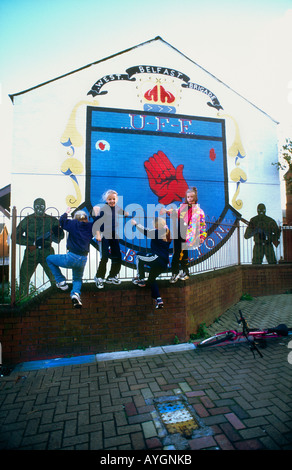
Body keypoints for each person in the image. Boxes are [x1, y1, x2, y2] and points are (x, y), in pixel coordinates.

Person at [46, 206, 99, 308]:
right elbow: (98, 224)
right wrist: (96, 215)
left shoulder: (73, 224)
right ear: (86, 218)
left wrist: (66, 212)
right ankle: (75, 294)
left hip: (71, 257)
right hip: (83, 259)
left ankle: (61, 281)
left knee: (49, 259)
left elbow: (62, 221)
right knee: (77, 279)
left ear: (75, 218)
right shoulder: (90, 226)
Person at [16, 197, 64, 296]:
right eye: (37, 206)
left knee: (54, 277)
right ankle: (23, 300)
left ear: (45, 207)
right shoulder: (27, 220)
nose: (39, 208)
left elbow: (61, 236)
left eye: (42, 206)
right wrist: (32, 242)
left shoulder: (52, 220)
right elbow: (15, 236)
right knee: (24, 279)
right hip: (31, 252)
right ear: (34, 207)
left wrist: (57, 233)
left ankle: (58, 299)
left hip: (47, 252)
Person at [161, 187, 207, 283]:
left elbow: (202, 224)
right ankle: (181, 272)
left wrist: (202, 236)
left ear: (195, 197)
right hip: (179, 232)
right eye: (188, 197)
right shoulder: (182, 207)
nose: (190, 198)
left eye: (191, 197)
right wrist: (167, 211)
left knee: (180, 253)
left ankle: (178, 272)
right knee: (179, 253)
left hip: (188, 235)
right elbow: (175, 213)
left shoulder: (199, 211)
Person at [131, 217, 171, 309]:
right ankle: (158, 299)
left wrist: (136, 224)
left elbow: (145, 231)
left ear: (156, 225)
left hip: (156, 258)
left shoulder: (158, 232)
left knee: (138, 256)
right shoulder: (167, 232)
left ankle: (140, 279)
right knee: (151, 280)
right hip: (163, 263)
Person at [93, 190, 129, 288]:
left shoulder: (116, 207)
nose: (112, 201)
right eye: (110, 199)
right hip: (105, 234)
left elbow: (121, 211)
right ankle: (99, 277)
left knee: (117, 256)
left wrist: (126, 213)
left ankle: (112, 276)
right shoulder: (104, 209)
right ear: (106, 200)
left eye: (114, 199)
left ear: (116, 199)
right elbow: (96, 223)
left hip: (113, 234)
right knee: (104, 257)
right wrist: (98, 235)